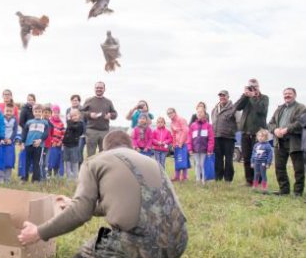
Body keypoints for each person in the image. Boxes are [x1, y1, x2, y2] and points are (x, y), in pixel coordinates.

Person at [18, 130, 187, 258]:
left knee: (84, 254)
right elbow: (119, 201)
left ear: (104, 148)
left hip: (141, 245)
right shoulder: (153, 162)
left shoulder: (95, 162)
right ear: (130, 147)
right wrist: (75, 202)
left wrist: (38, 232)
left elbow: (80, 213)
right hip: (178, 242)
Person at [268, 88, 306, 196]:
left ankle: (297, 192)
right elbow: (271, 123)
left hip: (294, 141)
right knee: (279, 167)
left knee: (298, 168)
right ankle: (284, 190)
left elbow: (300, 122)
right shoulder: (279, 109)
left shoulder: (301, 107)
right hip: (279, 142)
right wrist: (275, 130)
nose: (287, 95)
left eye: (290, 93)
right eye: (285, 94)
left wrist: (286, 129)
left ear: (295, 95)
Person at [234, 78, 269, 187]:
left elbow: (261, 110)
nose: (252, 88)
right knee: (247, 157)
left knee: (258, 158)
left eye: (254, 86)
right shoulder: (246, 97)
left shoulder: (264, 98)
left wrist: (253, 97)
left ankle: (258, 181)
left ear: (258, 87)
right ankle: (249, 181)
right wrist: (245, 95)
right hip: (245, 132)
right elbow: (236, 107)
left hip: (259, 134)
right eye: (250, 86)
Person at [81, 81, 118, 157]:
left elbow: (115, 114)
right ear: (94, 89)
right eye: (97, 88)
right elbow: (81, 113)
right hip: (91, 131)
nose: (99, 89)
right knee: (91, 155)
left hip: (104, 131)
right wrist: (90, 114)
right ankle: (91, 169)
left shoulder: (108, 102)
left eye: (101, 88)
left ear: (104, 89)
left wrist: (110, 115)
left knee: (104, 155)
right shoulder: (89, 100)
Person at [211, 90, 240, 182]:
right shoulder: (215, 109)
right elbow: (213, 121)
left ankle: (228, 179)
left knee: (228, 159)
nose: (222, 97)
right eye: (220, 96)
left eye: (224, 96)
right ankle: (218, 177)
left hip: (229, 138)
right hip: (217, 137)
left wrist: (233, 130)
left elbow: (239, 122)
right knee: (218, 159)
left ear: (228, 97)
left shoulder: (233, 108)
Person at [21, 104, 50, 182]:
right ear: (33, 112)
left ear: (42, 112)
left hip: (39, 145)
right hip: (28, 144)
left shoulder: (45, 122)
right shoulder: (29, 122)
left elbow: (46, 133)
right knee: (26, 162)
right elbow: (24, 132)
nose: (37, 113)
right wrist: (23, 143)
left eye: (39, 111)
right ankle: (24, 178)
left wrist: (40, 140)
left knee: (36, 163)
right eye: (36, 111)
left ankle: (35, 179)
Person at [187, 109, 214, 185]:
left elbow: (211, 138)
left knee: (203, 164)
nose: (199, 113)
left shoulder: (208, 125)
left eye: (201, 112)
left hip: (204, 150)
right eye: (198, 112)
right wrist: (190, 148)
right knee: (197, 164)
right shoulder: (193, 125)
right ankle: (198, 180)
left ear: (204, 114)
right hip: (195, 149)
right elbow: (189, 138)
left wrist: (209, 149)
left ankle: (204, 180)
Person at [0, 104, 19, 183]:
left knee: (9, 161)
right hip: (1, 143)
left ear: (13, 112)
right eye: (7, 111)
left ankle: (7, 179)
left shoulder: (15, 119)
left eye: (10, 111)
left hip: (10, 143)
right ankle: (0, 178)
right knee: (0, 161)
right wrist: (1, 138)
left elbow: (15, 130)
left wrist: (11, 139)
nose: (8, 113)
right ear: (4, 110)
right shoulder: (1, 118)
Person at [168, 108, 189, 182]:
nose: (169, 115)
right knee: (177, 160)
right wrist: (174, 144)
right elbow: (173, 134)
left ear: (175, 112)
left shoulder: (181, 120)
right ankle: (176, 176)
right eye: (168, 114)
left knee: (183, 160)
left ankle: (185, 177)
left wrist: (181, 142)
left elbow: (185, 131)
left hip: (183, 143)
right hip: (176, 144)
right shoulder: (171, 123)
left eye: (171, 113)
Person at [62, 109, 85, 180]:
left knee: (74, 162)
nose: (73, 117)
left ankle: (75, 178)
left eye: (75, 115)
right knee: (67, 162)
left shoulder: (80, 124)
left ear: (79, 115)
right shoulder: (70, 123)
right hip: (66, 146)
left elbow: (73, 127)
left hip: (74, 146)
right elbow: (66, 133)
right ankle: (69, 178)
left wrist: (68, 120)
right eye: (72, 116)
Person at [65, 94, 87, 166]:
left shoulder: (82, 110)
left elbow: (85, 121)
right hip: (71, 135)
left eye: (76, 100)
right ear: (71, 101)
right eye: (73, 100)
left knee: (79, 151)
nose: (75, 102)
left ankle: (80, 168)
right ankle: (73, 169)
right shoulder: (68, 110)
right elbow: (67, 121)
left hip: (81, 135)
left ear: (79, 101)